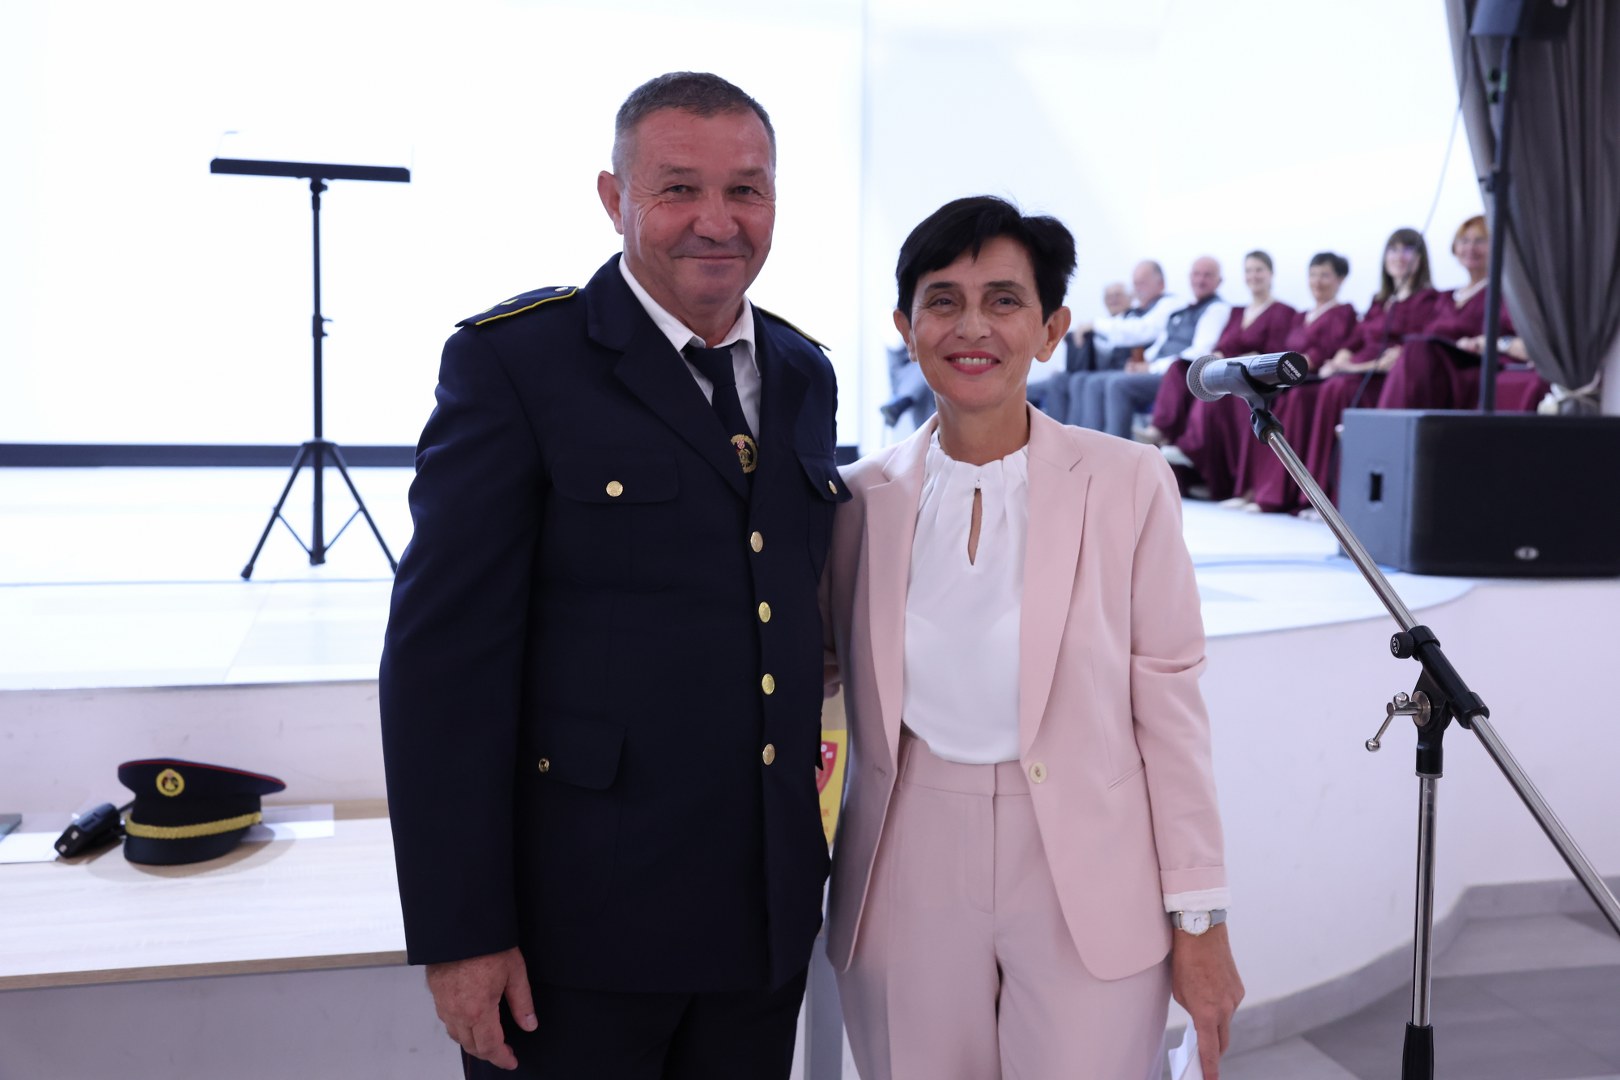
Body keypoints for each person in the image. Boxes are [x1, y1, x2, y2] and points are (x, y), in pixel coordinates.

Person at [378, 72, 844, 1079]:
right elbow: (442, 666)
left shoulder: (804, 372)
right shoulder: (519, 364)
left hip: (759, 922)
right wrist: (462, 930)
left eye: (747, 190)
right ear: (613, 197)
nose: (717, 220)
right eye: (678, 189)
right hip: (576, 934)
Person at [822, 196, 1243, 1080]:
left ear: (1051, 329)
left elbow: (1170, 707)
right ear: (905, 327)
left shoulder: (1129, 482)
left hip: (1090, 864)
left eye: (1004, 300)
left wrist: (1200, 918)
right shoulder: (856, 501)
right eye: (942, 301)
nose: (972, 326)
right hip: (906, 856)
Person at [1301, 227, 1438, 504]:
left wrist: (1355, 367)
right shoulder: (1379, 301)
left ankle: (1342, 496)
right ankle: (1317, 494)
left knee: (1338, 389)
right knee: (1329, 387)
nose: (1399, 256)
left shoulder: (1429, 300)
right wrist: (1342, 356)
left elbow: (1411, 351)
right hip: (1357, 371)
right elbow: (1356, 338)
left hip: (1385, 382)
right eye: (1393, 249)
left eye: (1407, 249)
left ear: (1421, 258)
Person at [1159, 251, 1298, 499]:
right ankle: (1204, 473)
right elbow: (1223, 345)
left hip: (1257, 381)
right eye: (1249, 270)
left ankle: (1193, 450)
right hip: (1232, 376)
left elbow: (1274, 352)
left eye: (1259, 270)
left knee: (1220, 400)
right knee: (1202, 384)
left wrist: (1247, 357)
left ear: (1270, 274)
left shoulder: (1282, 311)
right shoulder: (1236, 312)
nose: (1253, 276)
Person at [1238, 252, 1360, 513]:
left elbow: (1326, 350)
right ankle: (1256, 488)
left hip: (1314, 383)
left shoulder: (1343, 312)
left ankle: (1284, 494)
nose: (1317, 281)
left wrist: (1303, 363)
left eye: (1325, 275)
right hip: (1290, 381)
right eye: (1313, 274)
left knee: (1294, 400)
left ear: (1340, 280)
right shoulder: (1301, 316)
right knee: (1258, 399)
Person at [1073, 257, 1229, 439]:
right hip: (1157, 369)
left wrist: (1151, 367)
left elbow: (1199, 353)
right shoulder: (1183, 309)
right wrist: (1142, 362)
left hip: (1176, 376)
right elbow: (1162, 342)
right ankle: (1084, 443)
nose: (1200, 280)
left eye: (1207, 275)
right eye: (1196, 274)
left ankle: (1115, 449)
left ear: (1219, 280)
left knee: (1117, 384)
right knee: (1093, 382)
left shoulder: (1216, 309)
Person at [1032, 279, 1132, 420]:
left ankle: (1074, 429)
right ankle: (1054, 427)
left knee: (1080, 380)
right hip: (1092, 371)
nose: (1113, 300)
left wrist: (1092, 326)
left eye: (1118, 295)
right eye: (1109, 297)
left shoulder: (1134, 320)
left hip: (1117, 372)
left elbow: (1129, 333)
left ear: (1130, 298)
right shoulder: (1101, 325)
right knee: (1054, 381)